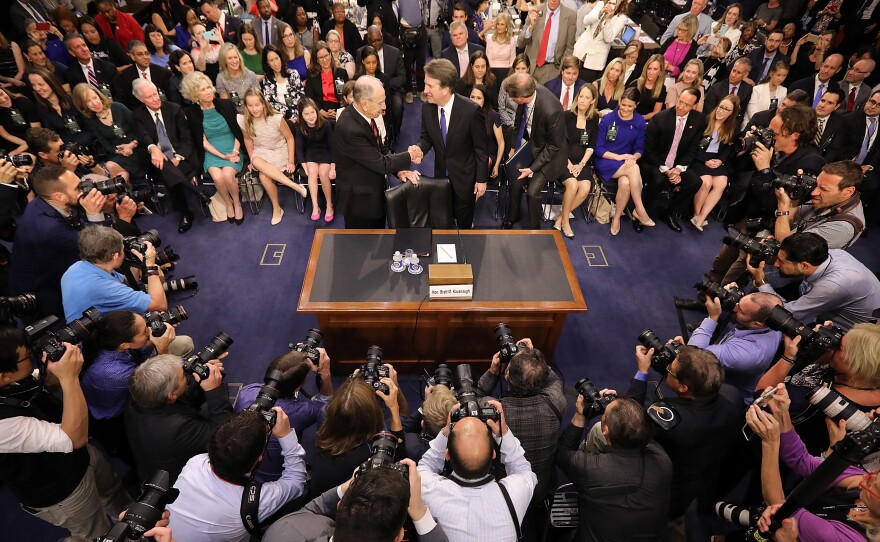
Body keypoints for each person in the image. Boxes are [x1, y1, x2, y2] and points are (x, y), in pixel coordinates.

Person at [0, 328, 131, 539]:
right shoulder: (2, 426)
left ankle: (133, 529)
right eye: (28, 357)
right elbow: (73, 438)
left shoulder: (13, 379)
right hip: (62, 492)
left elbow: (43, 384)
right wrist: (69, 377)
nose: (33, 358)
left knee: (115, 493)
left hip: (81, 459)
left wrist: (55, 363)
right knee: (97, 534)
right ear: (3, 376)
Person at [629, 344, 742, 530]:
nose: (667, 369)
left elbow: (631, 419)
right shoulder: (733, 395)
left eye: (670, 370)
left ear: (683, 387)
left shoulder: (672, 420)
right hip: (701, 475)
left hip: (667, 480)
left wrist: (642, 371)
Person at [167, 408, 307, 541]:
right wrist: (286, 436)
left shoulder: (195, 463)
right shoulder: (254, 504)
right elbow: (296, 481)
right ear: (259, 458)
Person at [556, 393, 672, 541]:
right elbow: (637, 424)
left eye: (603, 416)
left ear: (606, 431)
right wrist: (620, 402)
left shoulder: (591, 469)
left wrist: (580, 414)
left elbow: (562, 452)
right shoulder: (662, 460)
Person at [418, 399, 536, 541]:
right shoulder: (514, 494)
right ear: (493, 454)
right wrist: (503, 434)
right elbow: (523, 469)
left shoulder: (430, 491)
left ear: (447, 455)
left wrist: (446, 432)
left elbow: (425, 465)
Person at [756, 324, 880, 455]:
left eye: (840, 347)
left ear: (856, 363)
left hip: (774, 450)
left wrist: (788, 357)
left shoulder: (823, 399)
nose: (833, 346)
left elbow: (761, 395)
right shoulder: (868, 384)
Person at [9, 165, 109, 319]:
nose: (83, 190)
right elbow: (98, 248)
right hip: (42, 294)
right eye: (78, 188)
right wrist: (95, 215)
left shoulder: (45, 201)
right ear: (59, 196)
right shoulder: (49, 228)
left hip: (55, 270)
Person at [263, 461, 450, 542]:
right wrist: (417, 510)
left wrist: (344, 488)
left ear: (339, 507)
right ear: (399, 536)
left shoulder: (284, 531)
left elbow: (309, 512)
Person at [475, 338, 565, 505]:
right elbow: (554, 380)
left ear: (507, 376)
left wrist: (492, 372)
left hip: (507, 492)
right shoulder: (556, 402)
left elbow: (475, 397)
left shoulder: (496, 412)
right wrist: (534, 360)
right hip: (542, 487)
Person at [125, 353, 230, 484]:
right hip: (179, 484)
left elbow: (183, 399)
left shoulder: (139, 397)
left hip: (151, 464)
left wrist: (203, 377)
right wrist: (214, 390)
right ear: (172, 395)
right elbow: (225, 435)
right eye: (184, 376)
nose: (188, 376)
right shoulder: (178, 428)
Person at [234, 348, 333, 482]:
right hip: (276, 478)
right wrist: (325, 376)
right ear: (299, 386)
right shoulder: (299, 412)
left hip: (239, 464)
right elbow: (325, 405)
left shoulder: (247, 391)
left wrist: (293, 361)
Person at [411, 58, 488, 229]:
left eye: (430, 86)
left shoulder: (471, 111)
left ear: (445, 89)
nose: (425, 90)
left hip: (465, 180)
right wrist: (419, 149)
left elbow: (481, 149)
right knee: (443, 224)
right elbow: (426, 138)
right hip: (440, 178)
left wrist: (481, 180)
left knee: (464, 225)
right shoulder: (427, 108)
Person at [748, 232, 880, 331]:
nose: (776, 264)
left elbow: (786, 313)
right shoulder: (834, 253)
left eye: (781, 261)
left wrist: (761, 281)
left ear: (804, 265)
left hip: (846, 333)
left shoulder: (832, 286)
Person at [334, 75, 418, 228]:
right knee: (364, 246)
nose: (384, 106)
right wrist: (410, 155)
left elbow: (381, 148)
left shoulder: (365, 115)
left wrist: (399, 171)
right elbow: (380, 163)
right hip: (360, 203)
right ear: (364, 104)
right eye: (380, 102)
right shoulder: (350, 128)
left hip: (373, 193)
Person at [132, 79, 206, 234]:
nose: (155, 99)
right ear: (141, 100)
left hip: (181, 156)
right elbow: (143, 136)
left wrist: (178, 157)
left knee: (169, 172)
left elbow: (187, 139)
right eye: (149, 97)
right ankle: (195, 194)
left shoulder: (174, 109)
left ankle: (186, 212)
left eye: (155, 94)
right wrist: (154, 149)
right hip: (158, 160)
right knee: (163, 165)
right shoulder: (138, 115)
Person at [311, 375, 406, 497]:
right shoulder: (371, 456)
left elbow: (343, 407)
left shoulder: (324, 422)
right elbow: (399, 457)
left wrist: (352, 382)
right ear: (371, 419)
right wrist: (394, 407)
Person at [687, 290, 783, 401]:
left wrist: (712, 317)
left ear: (756, 324)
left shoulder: (749, 352)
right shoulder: (775, 321)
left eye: (740, 311)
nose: (734, 308)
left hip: (725, 393)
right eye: (738, 303)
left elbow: (692, 354)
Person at [60, 225, 168, 322]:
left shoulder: (75, 268)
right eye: (123, 249)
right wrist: (150, 266)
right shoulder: (103, 288)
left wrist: (136, 263)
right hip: (106, 340)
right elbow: (160, 305)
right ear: (115, 256)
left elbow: (126, 283)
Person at [502, 72, 567, 230]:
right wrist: (513, 147)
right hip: (532, 144)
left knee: (532, 192)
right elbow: (518, 122)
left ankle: (534, 228)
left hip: (551, 155)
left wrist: (532, 169)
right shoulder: (528, 91)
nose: (510, 99)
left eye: (512, 96)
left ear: (521, 97)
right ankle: (512, 217)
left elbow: (553, 147)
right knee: (515, 181)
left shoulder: (552, 110)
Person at [181, 71, 246, 225]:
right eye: (202, 90)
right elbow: (202, 141)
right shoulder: (192, 113)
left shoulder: (225, 104)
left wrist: (235, 152)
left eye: (208, 87)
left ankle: (237, 203)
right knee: (218, 178)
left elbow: (239, 131)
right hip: (212, 151)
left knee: (228, 176)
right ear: (194, 94)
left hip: (232, 146)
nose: (208, 91)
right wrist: (221, 156)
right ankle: (228, 204)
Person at [640, 87, 706, 233]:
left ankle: (670, 211)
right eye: (680, 102)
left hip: (677, 164)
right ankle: (641, 212)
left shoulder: (699, 120)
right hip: (654, 162)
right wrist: (667, 171)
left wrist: (679, 169)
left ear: (694, 106)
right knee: (657, 180)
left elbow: (692, 149)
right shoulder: (660, 118)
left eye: (687, 105)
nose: (681, 107)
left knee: (695, 182)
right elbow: (649, 151)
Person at [240, 88, 309, 226]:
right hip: (261, 151)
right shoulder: (244, 121)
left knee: (263, 176)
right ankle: (294, 186)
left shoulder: (276, 118)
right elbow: (248, 140)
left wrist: (290, 161)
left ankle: (277, 209)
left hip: (279, 150)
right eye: (251, 106)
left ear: (264, 104)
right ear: (246, 106)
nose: (254, 109)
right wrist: (251, 159)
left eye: (257, 105)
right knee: (256, 160)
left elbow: (290, 139)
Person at [594, 86, 652, 235]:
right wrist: (619, 157)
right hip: (606, 160)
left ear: (636, 105)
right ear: (619, 101)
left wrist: (634, 157)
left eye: (630, 106)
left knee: (625, 182)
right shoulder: (608, 119)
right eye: (623, 104)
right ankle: (639, 209)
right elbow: (598, 148)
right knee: (634, 169)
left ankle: (617, 218)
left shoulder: (639, 121)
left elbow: (639, 149)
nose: (625, 109)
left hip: (626, 162)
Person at [72, 83, 147, 182]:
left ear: (99, 96)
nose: (94, 103)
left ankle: (126, 194)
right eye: (88, 102)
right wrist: (118, 151)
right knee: (121, 176)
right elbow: (106, 145)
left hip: (138, 147)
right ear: (83, 106)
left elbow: (140, 129)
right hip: (118, 153)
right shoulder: (91, 120)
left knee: (109, 167)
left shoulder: (118, 107)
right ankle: (128, 195)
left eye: (95, 98)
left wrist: (132, 145)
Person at [690, 95, 740, 230]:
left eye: (726, 109)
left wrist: (720, 161)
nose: (721, 111)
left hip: (716, 160)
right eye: (720, 107)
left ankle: (701, 218)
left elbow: (728, 148)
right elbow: (692, 145)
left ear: (732, 113)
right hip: (699, 158)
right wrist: (705, 161)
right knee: (706, 183)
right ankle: (696, 214)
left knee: (722, 183)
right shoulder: (704, 121)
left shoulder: (731, 127)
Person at [556, 83, 598, 238]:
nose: (582, 100)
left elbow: (591, 146)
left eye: (587, 98)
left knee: (586, 188)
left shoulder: (593, 120)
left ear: (592, 101)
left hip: (582, 163)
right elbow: (560, 143)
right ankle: (565, 222)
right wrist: (568, 163)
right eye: (581, 96)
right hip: (562, 160)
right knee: (573, 185)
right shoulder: (567, 116)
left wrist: (580, 165)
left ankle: (560, 217)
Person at [836, 90, 880, 220]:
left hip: (867, 166)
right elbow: (839, 148)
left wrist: (870, 166)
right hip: (845, 164)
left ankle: (861, 219)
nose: (872, 106)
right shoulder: (848, 119)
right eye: (872, 101)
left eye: (878, 105)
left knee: (874, 186)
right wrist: (852, 167)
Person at [516, 0, 576, 84]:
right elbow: (520, 43)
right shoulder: (535, 11)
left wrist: (560, 70)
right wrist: (531, 27)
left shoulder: (570, 16)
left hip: (553, 70)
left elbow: (569, 48)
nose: (553, 0)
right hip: (530, 68)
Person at [296, 98, 335, 221]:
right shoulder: (300, 127)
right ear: (302, 115)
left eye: (312, 112)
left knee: (323, 174)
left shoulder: (326, 124)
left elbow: (333, 147)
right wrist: (304, 166)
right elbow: (299, 149)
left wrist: (333, 168)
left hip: (325, 153)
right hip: (311, 154)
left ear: (316, 112)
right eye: (306, 114)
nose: (310, 116)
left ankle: (329, 205)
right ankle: (315, 206)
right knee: (312, 173)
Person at [573, 0, 629, 83]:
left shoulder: (622, 18)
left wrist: (608, 19)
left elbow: (608, 38)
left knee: (583, 87)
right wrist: (601, 12)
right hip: (580, 52)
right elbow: (586, 21)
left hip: (594, 61)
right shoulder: (600, 4)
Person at [401, 384, 458, 462]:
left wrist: (424, 405)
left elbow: (400, 433)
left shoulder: (411, 445)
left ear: (422, 424)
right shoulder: (460, 452)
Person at [118, 40, 175, 109]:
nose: (146, 57)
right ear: (132, 57)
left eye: (146, 53)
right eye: (140, 54)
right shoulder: (126, 75)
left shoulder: (163, 73)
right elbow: (127, 101)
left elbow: (171, 99)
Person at [63, 34, 121, 102]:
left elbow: (120, 93)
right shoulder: (71, 73)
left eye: (84, 45)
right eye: (78, 47)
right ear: (71, 52)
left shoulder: (108, 67)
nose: (84, 49)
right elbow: (78, 100)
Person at [304, 41, 348, 121]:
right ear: (316, 60)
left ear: (330, 55)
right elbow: (310, 98)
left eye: (326, 56)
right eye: (321, 58)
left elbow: (346, 97)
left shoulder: (341, 73)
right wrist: (324, 113)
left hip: (340, 110)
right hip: (319, 110)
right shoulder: (311, 74)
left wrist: (339, 112)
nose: (324, 60)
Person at [260, 45, 305, 123]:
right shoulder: (267, 79)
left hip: (297, 116)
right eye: (271, 60)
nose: (275, 63)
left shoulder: (293, 74)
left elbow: (301, 96)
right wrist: (283, 115)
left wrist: (295, 117)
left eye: (276, 58)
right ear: (267, 63)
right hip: (279, 118)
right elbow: (269, 102)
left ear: (280, 58)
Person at [704, 56, 753, 128]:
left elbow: (740, 115)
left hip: (731, 129)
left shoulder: (747, 90)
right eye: (733, 70)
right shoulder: (716, 88)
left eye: (738, 73)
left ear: (745, 75)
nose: (733, 75)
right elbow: (708, 113)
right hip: (712, 126)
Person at [469, 84, 504, 181]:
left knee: (481, 162)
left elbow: (501, 143)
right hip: (470, 153)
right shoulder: (465, 114)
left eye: (479, 98)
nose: (474, 101)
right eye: (472, 97)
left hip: (488, 155)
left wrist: (497, 165)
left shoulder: (493, 116)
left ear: (485, 100)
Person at [216, 43, 260, 115]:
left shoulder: (250, 75)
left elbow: (258, 99)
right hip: (234, 115)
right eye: (230, 58)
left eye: (235, 57)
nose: (234, 61)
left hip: (253, 113)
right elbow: (226, 105)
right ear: (224, 61)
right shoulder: (221, 78)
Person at [660, 14, 700, 80]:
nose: (679, 32)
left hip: (675, 80)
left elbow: (685, 68)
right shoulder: (671, 39)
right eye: (678, 29)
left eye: (683, 30)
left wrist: (670, 67)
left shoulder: (693, 46)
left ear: (690, 31)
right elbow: (658, 55)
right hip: (659, 74)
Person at [0, 88, 39, 154]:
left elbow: (36, 129)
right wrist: (23, 144)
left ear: (5, 91)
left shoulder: (23, 102)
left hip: (34, 138)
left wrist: (28, 144)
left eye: (1, 94)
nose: (3, 100)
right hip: (15, 142)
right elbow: (4, 134)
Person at [630, 54, 667, 121]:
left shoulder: (662, 88)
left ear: (660, 72)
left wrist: (642, 118)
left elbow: (656, 112)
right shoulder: (635, 84)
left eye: (655, 69)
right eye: (649, 68)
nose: (651, 72)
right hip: (631, 118)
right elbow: (626, 105)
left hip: (648, 121)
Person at [485, 11, 516, 84]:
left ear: (506, 27)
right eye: (498, 24)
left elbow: (512, 61)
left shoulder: (511, 40)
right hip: (492, 73)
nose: (499, 27)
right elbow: (488, 60)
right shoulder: (490, 39)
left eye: (502, 24)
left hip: (507, 73)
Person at [815, 88, 846, 155]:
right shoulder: (804, 116)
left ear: (836, 106)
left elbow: (834, 150)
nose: (822, 106)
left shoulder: (840, 122)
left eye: (830, 103)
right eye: (822, 100)